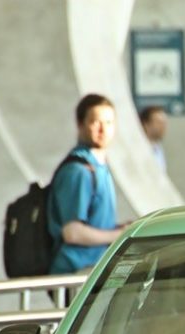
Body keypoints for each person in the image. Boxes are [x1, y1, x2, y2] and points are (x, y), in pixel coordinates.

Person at [48, 94, 127, 275]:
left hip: (92, 269)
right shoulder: (78, 171)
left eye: (109, 123)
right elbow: (72, 232)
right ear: (80, 124)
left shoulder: (100, 167)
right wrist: (118, 236)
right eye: (96, 122)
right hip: (75, 271)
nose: (103, 129)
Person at [139, 105, 168, 173]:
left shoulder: (158, 148)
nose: (163, 127)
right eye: (159, 123)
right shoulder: (138, 149)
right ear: (146, 125)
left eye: (164, 123)